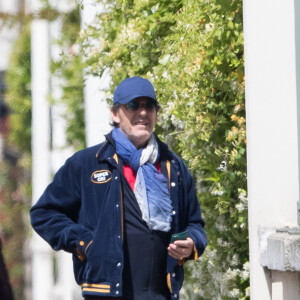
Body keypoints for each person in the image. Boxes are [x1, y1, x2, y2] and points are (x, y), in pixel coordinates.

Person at [30, 76, 207, 300]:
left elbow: (195, 225)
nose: (143, 113)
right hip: (106, 292)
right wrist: (84, 242)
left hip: (162, 294)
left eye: (149, 106)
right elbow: (44, 213)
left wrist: (191, 242)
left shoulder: (173, 166)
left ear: (156, 114)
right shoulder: (87, 163)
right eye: (133, 105)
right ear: (115, 114)